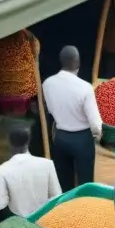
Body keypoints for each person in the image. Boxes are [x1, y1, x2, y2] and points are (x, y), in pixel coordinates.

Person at [43, 46, 101, 191]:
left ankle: (67, 208)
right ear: (78, 62)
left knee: (64, 183)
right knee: (85, 183)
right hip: (83, 139)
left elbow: (50, 109)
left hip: (60, 137)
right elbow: (95, 124)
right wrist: (98, 135)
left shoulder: (47, 84)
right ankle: (83, 208)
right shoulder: (85, 87)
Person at [0, 126, 62, 219]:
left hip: (20, 223)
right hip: (45, 220)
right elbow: (57, 196)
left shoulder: (0, 171)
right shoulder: (47, 164)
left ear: (9, 143)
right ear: (28, 142)